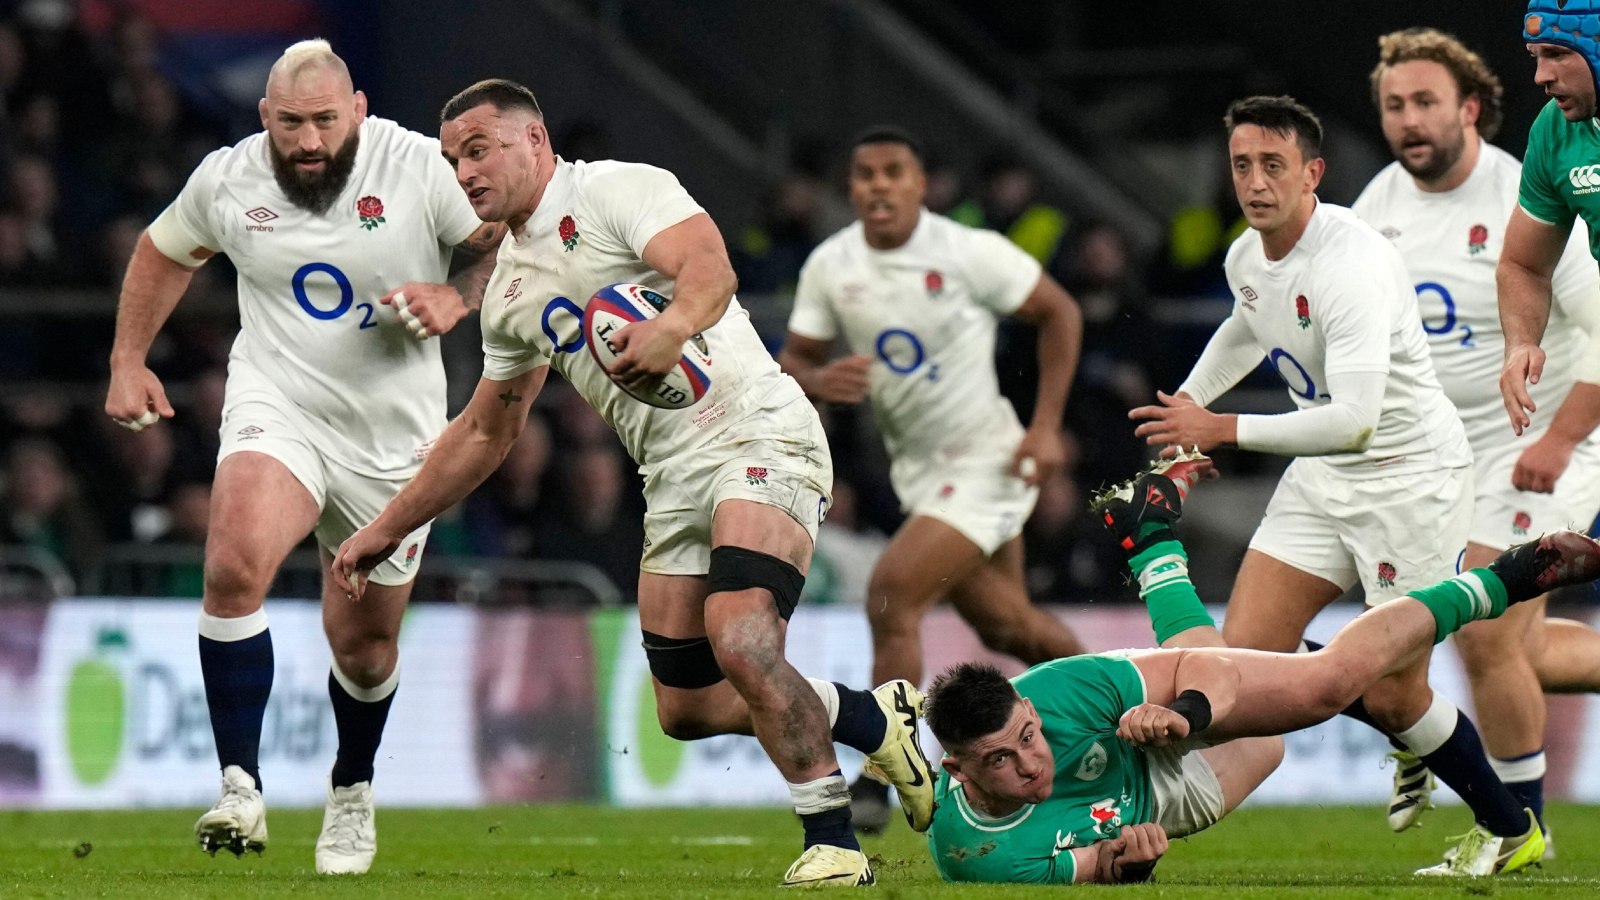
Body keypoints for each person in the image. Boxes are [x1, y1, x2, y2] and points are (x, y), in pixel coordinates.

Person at [330, 78, 934, 888]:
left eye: (478, 149)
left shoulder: (618, 188)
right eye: (451, 159)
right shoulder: (508, 292)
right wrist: (386, 525)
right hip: (671, 477)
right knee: (683, 708)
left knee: (743, 637)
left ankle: (832, 841)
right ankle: (870, 715)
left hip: (760, 432)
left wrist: (672, 328)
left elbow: (708, 268)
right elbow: (485, 429)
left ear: (534, 139)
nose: (464, 172)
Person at [101, 40, 507, 874]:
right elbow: (163, 249)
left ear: (357, 109)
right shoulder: (229, 178)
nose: (311, 140)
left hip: (393, 434)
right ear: (265, 119)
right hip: (277, 404)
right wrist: (127, 360)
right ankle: (240, 787)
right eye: (292, 123)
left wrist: (453, 296)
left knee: (363, 647)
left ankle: (352, 789)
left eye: (326, 119)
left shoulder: (414, 166)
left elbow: (501, 241)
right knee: (232, 566)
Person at [1128, 95, 1537, 869]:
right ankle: (1373, 697)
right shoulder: (1247, 255)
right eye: (1242, 164)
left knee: (1391, 697)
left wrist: (1221, 430)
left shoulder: (1351, 263)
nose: (1254, 181)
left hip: (1410, 483)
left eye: (1273, 165)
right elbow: (1248, 323)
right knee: (1241, 665)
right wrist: (1190, 406)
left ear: (1313, 173)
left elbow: (1352, 419)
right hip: (1324, 480)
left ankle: (1514, 827)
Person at [923, 454, 1572, 884]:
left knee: (1329, 688)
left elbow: (1206, 669)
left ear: (1031, 712)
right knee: (1334, 701)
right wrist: (1131, 863)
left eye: (1027, 738)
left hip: (1167, 721)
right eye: (1000, 761)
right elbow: (1101, 869)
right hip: (1173, 792)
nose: (1030, 763)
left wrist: (1182, 714)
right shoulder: (973, 856)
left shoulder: (1063, 691)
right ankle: (1153, 544)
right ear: (958, 769)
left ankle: (1503, 579)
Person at [778, 127, 1087, 833]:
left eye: (894, 172)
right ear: (851, 188)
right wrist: (822, 378)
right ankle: (1122, 707)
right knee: (1008, 625)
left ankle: (885, 769)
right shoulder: (832, 264)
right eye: (865, 174)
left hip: (990, 461)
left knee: (892, 592)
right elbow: (794, 358)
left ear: (920, 184)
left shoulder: (966, 251)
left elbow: (1060, 313)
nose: (879, 186)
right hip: (920, 475)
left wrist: (1045, 427)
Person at [1353, 26, 1600, 847]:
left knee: (1489, 629)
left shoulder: (1517, 181)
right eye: (1394, 105)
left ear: (1467, 110)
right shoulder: (1377, 206)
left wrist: (1560, 442)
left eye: (1424, 101)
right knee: (1499, 639)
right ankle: (1510, 821)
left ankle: (1517, 830)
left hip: (1555, 435)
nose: (1407, 119)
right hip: (1454, 454)